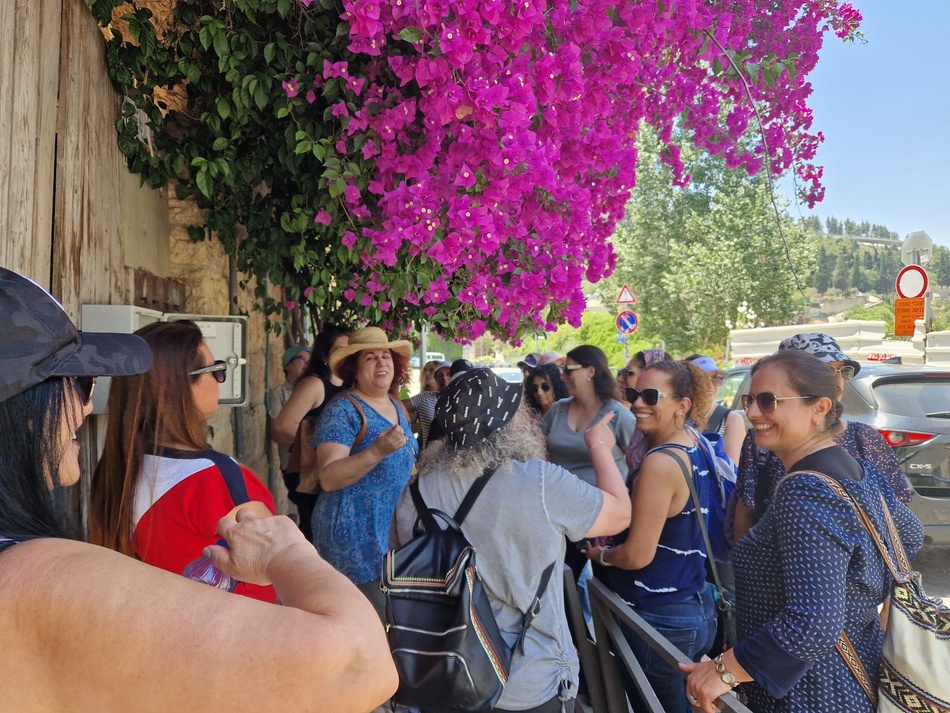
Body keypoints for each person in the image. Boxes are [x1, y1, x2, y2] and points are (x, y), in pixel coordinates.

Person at [0, 267, 397, 712]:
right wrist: (289, 551)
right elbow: (359, 665)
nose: (88, 403)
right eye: (74, 381)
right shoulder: (216, 479)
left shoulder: (119, 470)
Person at [682, 350, 923, 713]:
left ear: (819, 408)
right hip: (856, 669)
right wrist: (855, 596)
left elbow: (813, 623)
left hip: (813, 691)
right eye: (750, 400)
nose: (753, 413)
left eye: (768, 401)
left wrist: (723, 671)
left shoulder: (804, 490)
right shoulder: (857, 469)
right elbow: (910, 534)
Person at [392, 368, 632, 713]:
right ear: (508, 422)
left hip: (444, 676)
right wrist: (600, 446)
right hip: (528, 679)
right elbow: (620, 514)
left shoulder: (415, 492)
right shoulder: (539, 483)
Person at [89, 320, 279, 602]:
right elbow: (273, 574)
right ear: (179, 385)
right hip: (231, 624)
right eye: (215, 371)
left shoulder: (118, 470)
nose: (220, 380)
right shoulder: (214, 478)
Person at [584, 360, 718, 713]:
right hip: (695, 603)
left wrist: (600, 556)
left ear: (682, 405)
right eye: (633, 393)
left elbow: (637, 555)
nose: (637, 403)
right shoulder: (694, 442)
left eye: (650, 396)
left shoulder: (660, 462)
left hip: (659, 615)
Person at [732, 332, 913, 542]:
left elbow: (903, 524)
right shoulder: (762, 439)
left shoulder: (864, 437)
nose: (836, 380)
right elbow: (746, 510)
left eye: (842, 371)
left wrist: (868, 560)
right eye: (823, 371)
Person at [311, 326, 417, 618]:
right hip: (352, 538)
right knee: (364, 619)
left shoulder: (396, 405)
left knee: (387, 619)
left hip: (387, 536)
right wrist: (376, 451)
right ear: (354, 369)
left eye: (386, 356)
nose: (381, 362)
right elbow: (328, 477)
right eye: (370, 358)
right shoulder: (342, 410)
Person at [271, 325, 349, 540]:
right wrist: (322, 447)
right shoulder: (315, 384)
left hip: (333, 473)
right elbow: (282, 427)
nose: (347, 354)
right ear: (325, 355)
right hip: (311, 475)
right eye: (340, 349)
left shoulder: (347, 384)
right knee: (315, 535)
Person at [686, 355, 745, 463]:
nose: (710, 385)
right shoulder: (678, 415)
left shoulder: (731, 420)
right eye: (702, 379)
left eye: (715, 378)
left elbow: (730, 470)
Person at [267, 345, 310, 477]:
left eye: (310, 361)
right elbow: (278, 434)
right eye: (302, 360)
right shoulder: (278, 393)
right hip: (292, 464)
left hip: (317, 463)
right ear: (288, 366)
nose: (307, 365)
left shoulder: (316, 390)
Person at [402, 358, 442, 450]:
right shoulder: (423, 398)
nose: (426, 373)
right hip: (426, 449)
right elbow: (410, 428)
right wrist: (424, 425)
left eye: (431, 370)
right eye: (425, 370)